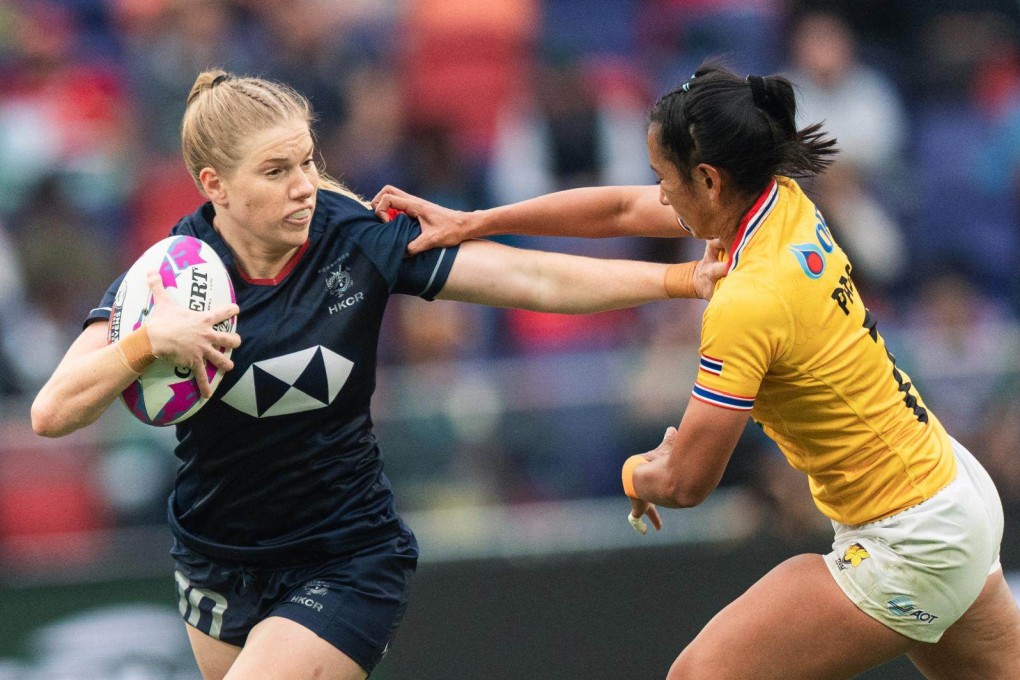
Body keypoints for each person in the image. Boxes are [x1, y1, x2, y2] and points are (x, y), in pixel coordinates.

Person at [29, 69, 724, 680]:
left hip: (345, 556)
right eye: (275, 172)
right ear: (216, 186)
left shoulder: (354, 237)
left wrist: (679, 279)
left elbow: (528, 277)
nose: (304, 187)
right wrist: (148, 342)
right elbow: (51, 413)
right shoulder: (172, 276)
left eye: (307, 161)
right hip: (217, 558)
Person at [371, 60, 1020, 679]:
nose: (657, 193)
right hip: (950, 493)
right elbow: (620, 212)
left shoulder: (748, 299)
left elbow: (685, 485)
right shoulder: (780, 201)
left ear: (709, 179)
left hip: (909, 538)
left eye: (664, 177)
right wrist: (477, 221)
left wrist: (638, 472)